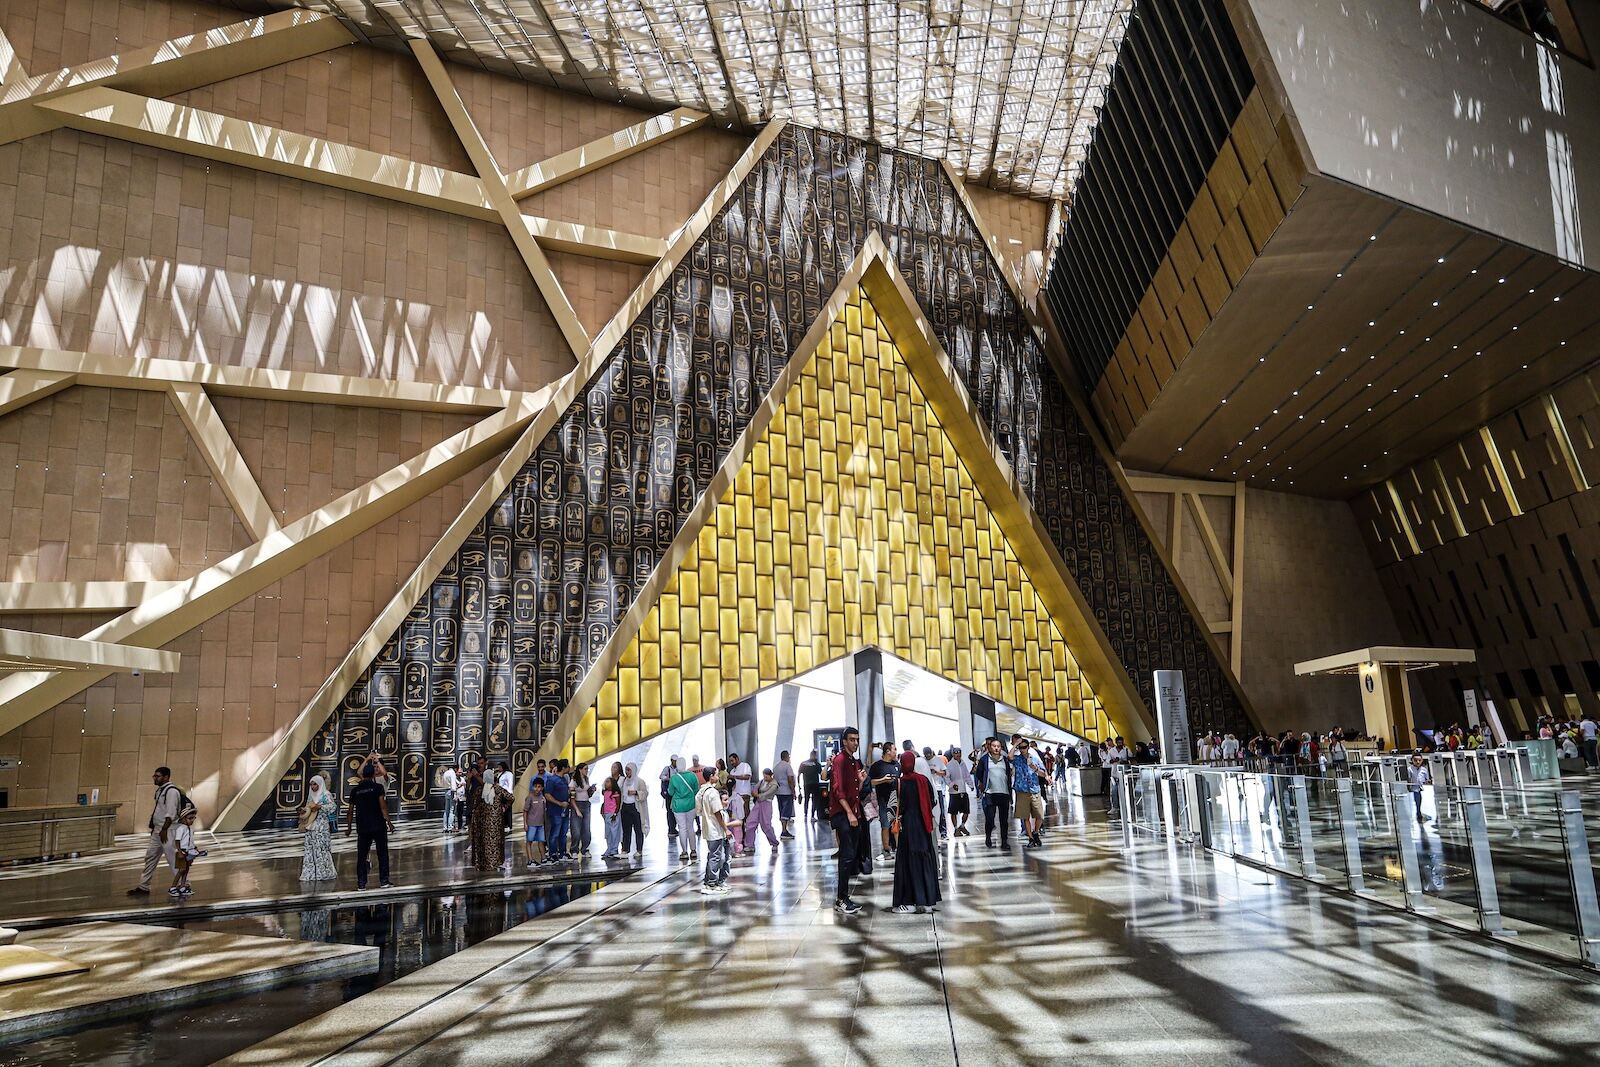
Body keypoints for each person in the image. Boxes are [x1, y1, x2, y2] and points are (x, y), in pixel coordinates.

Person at [892, 751, 942, 913]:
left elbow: (894, 806)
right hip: (923, 825)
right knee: (925, 859)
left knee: (907, 862)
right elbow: (933, 800)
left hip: (908, 827)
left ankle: (909, 902)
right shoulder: (924, 780)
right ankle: (927, 902)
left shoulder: (899, 782)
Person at [128, 766, 183, 896]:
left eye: (157, 776)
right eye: (155, 776)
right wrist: (156, 829)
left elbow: (171, 813)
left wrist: (164, 829)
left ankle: (184, 884)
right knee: (150, 857)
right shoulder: (161, 791)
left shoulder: (171, 792)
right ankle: (143, 886)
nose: (155, 778)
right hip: (159, 830)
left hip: (168, 830)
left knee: (173, 859)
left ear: (166, 777)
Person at [828, 727, 866, 915]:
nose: (855, 743)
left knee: (850, 856)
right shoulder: (841, 760)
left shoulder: (853, 761)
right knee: (846, 856)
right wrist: (850, 813)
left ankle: (844, 897)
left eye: (857, 739)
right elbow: (838, 789)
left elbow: (854, 791)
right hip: (844, 814)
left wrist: (859, 781)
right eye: (852, 739)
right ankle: (841, 899)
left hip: (853, 813)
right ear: (844, 741)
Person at [346, 762, 394, 889]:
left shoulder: (355, 791)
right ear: (372, 774)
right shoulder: (377, 788)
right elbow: (383, 806)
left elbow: (350, 811)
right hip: (378, 825)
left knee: (362, 856)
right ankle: (384, 881)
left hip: (362, 827)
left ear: (363, 775)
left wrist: (349, 827)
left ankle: (361, 884)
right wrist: (389, 822)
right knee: (382, 853)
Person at [696, 768, 731, 893]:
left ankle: (708, 881)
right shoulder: (713, 792)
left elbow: (698, 810)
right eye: (716, 774)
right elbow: (717, 812)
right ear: (711, 776)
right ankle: (712, 883)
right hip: (715, 829)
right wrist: (726, 829)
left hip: (707, 826)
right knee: (715, 856)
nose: (718, 776)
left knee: (712, 855)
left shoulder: (702, 791)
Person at [299, 774, 338, 882]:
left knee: (322, 849)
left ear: (320, 784)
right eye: (311, 784)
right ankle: (311, 874)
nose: (312, 787)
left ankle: (325, 873)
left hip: (322, 826)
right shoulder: (311, 795)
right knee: (311, 850)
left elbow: (332, 807)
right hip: (311, 826)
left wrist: (320, 807)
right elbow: (308, 808)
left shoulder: (325, 795)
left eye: (315, 784)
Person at [976, 738, 1013, 848]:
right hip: (990, 793)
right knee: (990, 818)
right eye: (994, 746)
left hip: (1004, 793)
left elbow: (1008, 774)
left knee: (1004, 820)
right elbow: (979, 773)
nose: (996, 748)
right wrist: (983, 785)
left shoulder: (1005, 759)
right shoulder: (984, 760)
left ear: (1001, 748)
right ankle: (988, 837)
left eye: (998, 746)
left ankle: (1004, 841)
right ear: (989, 747)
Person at [1012, 738, 1045, 848]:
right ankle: (1030, 837)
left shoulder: (1035, 758)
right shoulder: (1017, 759)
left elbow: (1043, 773)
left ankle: (1036, 832)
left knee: (1039, 815)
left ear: (1028, 747)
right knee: (1025, 816)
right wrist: (1015, 744)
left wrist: (1035, 769)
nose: (1022, 750)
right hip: (1022, 790)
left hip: (1034, 789)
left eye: (1024, 747)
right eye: (1020, 748)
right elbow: (1009, 757)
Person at [869, 742, 900, 861]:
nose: (895, 752)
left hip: (896, 799)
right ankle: (886, 850)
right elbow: (871, 782)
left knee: (896, 824)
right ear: (888, 751)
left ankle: (898, 849)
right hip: (883, 800)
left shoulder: (897, 765)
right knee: (885, 825)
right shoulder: (877, 766)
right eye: (894, 749)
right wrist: (883, 780)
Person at [669, 756, 701, 863]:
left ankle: (684, 852)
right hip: (691, 804)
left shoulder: (674, 778)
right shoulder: (692, 775)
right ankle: (694, 851)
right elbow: (697, 789)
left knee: (682, 828)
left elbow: (670, 792)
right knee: (690, 827)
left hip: (678, 806)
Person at [169, 807, 204, 897]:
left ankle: (183, 886)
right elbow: (177, 841)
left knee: (186, 870)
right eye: (190, 818)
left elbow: (190, 841)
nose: (192, 820)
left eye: (193, 818)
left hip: (189, 852)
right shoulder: (181, 828)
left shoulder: (190, 829)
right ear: (183, 819)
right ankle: (173, 887)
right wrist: (179, 852)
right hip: (183, 852)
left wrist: (195, 848)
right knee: (181, 870)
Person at [544, 761, 572, 863]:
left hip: (565, 811)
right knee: (555, 832)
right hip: (556, 811)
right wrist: (559, 803)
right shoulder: (552, 780)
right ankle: (553, 853)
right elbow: (547, 795)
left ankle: (562, 852)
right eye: (568, 767)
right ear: (563, 767)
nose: (569, 768)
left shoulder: (564, 779)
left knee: (563, 833)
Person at [749, 768, 780, 851]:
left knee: (766, 825)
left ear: (770, 776)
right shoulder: (762, 781)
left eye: (766, 776)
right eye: (764, 776)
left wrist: (757, 795)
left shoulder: (774, 785)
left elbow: (767, 794)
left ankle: (774, 842)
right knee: (750, 822)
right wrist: (755, 792)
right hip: (758, 803)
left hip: (767, 804)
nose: (765, 778)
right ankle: (749, 844)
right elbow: (755, 788)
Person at [945, 747, 973, 836]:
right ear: (953, 754)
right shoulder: (949, 765)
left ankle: (962, 825)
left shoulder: (963, 763)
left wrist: (970, 784)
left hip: (963, 790)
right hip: (954, 792)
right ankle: (956, 829)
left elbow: (967, 775)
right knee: (953, 812)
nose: (958, 755)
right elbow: (946, 777)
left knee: (966, 811)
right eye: (956, 753)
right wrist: (952, 785)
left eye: (959, 753)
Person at [620, 763, 645, 855]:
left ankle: (639, 849)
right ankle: (625, 849)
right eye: (626, 770)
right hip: (625, 807)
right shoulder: (624, 781)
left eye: (629, 770)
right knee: (626, 830)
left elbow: (645, 793)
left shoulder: (639, 781)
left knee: (638, 829)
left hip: (635, 807)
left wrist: (636, 792)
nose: (627, 772)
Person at [523, 777, 548, 867]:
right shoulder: (530, 797)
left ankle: (543, 858)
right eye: (535, 786)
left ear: (542, 788)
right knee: (529, 841)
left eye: (539, 787)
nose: (537, 789)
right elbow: (525, 811)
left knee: (541, 841)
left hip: (540, 824)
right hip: (531, 824)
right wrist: (525, 824)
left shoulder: (542, 797)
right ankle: (530, 860)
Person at [774, 750, 797, 838]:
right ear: (787, 756)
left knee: (781, 810)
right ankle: (784, 831)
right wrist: (793, 791)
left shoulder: (776, 767)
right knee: (786, 811)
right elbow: (790, 779)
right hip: (787, 792)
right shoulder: (788, 766)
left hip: (778, 792)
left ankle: (783, 829)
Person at [600, 774, 623, 858]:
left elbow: (617, 804)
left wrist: (615, 814)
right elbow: (605, 803)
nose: (606, 783)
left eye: (608, 782)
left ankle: (614, 849)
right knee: (608, 832)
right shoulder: (605, 792)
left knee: (614, 832)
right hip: (607, 814)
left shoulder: (615, 793)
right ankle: (609, 848)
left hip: (613, 814)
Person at [1407, 753, 1432, 823]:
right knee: (1416, 803)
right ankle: (1418, 815)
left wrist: (1428, 783)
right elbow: (1408, 780)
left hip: (1423, 789)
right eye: (1415, 760)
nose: (1418, 762)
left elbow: (1427, 780)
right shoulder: (1409, 769)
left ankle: (1423, 814)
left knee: (1423, 803)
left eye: (1419, 760)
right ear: (1412, 760)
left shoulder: (1424, 769)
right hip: (1414, 789)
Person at [800, 750, 824, 820]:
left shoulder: (803, 763)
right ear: (815, 755)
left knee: (806, 800)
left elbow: (798, 774)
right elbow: (821, 774)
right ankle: (812, 816)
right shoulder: (817, 764)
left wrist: (799, 786)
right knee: (814, 800)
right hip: (815, 784)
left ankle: (805, 815)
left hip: (806, 784)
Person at [440, 763, 460, 834]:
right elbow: (453, 784)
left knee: (446, 810)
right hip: (451, 791)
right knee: (452, 810)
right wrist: (455, 794)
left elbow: (442, 783)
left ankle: (445, 827)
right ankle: (450, 827)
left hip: (446, 791)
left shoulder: (446, 773)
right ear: (455, 768)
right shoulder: (452, 773)